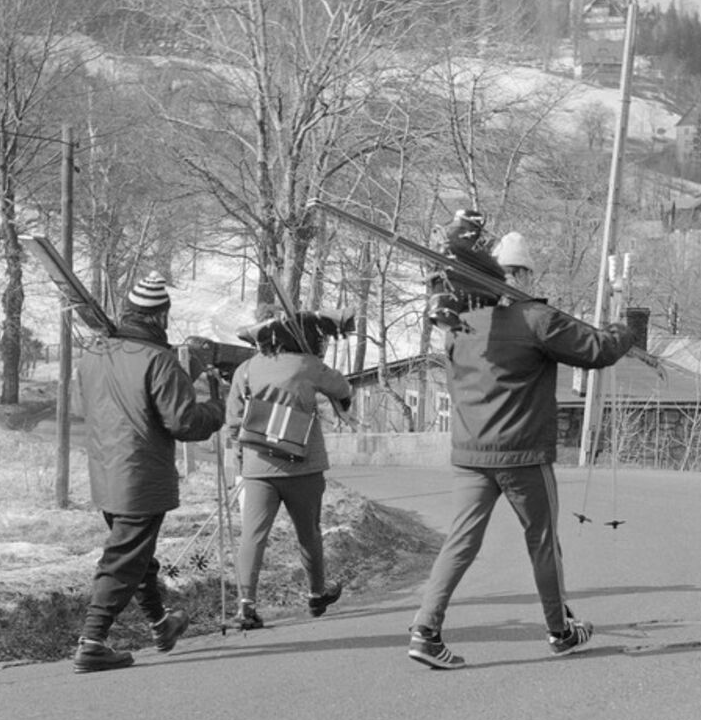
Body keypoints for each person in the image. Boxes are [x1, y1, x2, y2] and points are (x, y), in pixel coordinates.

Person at [407, 263, 634, 669]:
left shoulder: (459, 329)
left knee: (460, 542)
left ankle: (425, 630)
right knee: (542, 541)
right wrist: (626, 327)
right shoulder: (536, 319)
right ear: (516, 278)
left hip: (472, 454)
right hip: (523, 454)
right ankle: (560, 632)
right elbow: (598, 349)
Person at [74, 271, 226, 673]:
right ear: (159, 317)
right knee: (124, 558)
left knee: (137, 553)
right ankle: (93, 641)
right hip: (140, 476)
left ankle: (161, 624)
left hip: (105, 471)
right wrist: (216, 407)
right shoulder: (158, 360)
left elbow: (92, 403)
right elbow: (184, 422)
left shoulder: (95, 353)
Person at [224, 312, 353, 630]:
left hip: (258, 465)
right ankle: (316, 592)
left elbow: (233, 420)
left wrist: (240, 458)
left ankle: (246, 606)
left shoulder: (248, 368)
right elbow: (342, 389)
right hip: (303, 465)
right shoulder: (307, 365)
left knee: (253, 537)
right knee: (308, 532)